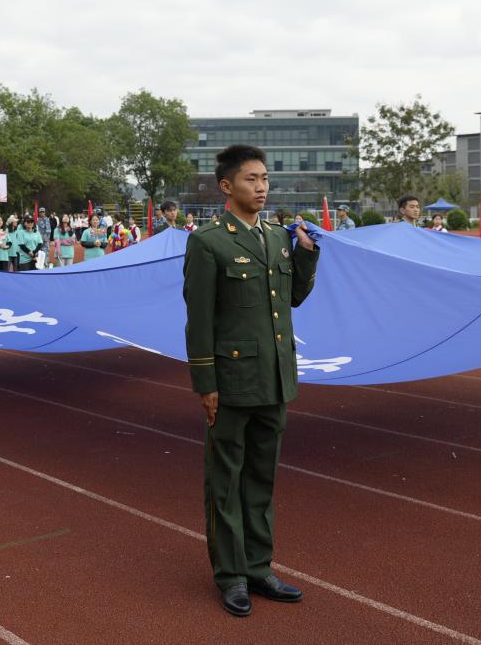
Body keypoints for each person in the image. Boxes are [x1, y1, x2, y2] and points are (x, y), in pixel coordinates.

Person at [183, 144, 318, 617]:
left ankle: (259, 568)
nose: (261, 187)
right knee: (226, 482)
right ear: (227, 186)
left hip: (274, 378)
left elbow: (292, 299)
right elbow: (199, 320)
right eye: (251, 179)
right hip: (231, 381)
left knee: (261, 480)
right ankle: (231, 575)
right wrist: (206, 384)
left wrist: (306, 257)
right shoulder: (208, 242)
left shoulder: (279, 237)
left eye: (264, 179)